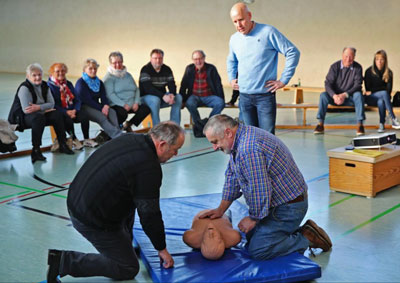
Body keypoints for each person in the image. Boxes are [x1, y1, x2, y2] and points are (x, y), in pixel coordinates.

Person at [46, 121, 185, 282]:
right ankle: (64, 262)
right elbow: (149, 215)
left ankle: (124, 244)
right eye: (175, 150)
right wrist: (161, 248)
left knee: (135, 196)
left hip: (78, 200)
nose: (175, 154)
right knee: (127, 267)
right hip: (90, 218)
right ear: (162, 144)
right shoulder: (149, 168)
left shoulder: (131, 138)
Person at [200, 114, 332, 260]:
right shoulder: (241, 138)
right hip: (278, 203)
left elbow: (260, 189)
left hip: (288, 208)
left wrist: (254, 218)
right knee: (250, 236)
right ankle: (284, 233)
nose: (214, 147)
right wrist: (220, 210)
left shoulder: (248, 149)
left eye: (215, 141)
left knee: (258, 249)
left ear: (228, 133)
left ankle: (307, 237)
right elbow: (232, 176)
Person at [227, 3, 300, 134]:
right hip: (244, 97)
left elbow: (292, 52)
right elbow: (231, 60)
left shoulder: (268, 32)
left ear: (249, 16)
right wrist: (232, 77)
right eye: (235, 22)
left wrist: (284, 80)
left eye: (241, 20)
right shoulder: (234, 39)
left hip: (264, 97)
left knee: (268, 138)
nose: (239, 25)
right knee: (249, 137)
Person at [8, 63, 74, 163]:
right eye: (34, 75)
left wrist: (39, 107)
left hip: (38, 113)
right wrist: (44, 108)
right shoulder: (24, 88)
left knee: (57, 114)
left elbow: (51, 104)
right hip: (21, 117)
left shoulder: (44, 85)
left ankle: (62, 144)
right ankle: (36, 150)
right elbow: (27, 109)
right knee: (38, 118)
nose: (37, 77)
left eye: (39, 74)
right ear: (28, 76)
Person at [314, 47, 365, 136]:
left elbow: (358, 85)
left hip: (349, 97)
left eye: (351, 56)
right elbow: (328, 83)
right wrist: (334, 95)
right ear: (342, 55)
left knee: (359, 95)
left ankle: (360, 125)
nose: (348, 59)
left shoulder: (358, 67)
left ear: (354, 57)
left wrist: (344, 95)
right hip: (335, 98)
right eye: (346, 56)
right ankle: (320, 124)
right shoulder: (334, 67)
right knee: (323, 95)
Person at [48, 63, 98, 149]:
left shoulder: (68, 84)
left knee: (84, 115)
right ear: (52, 73)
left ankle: (86, 139)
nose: (61, 73)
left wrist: (75, 110)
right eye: (57, 71)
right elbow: (53, 104)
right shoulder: (49, 86)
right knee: (67, 120)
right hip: (61, 112)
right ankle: (74, 138)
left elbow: (77, 99)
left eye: (63, 71)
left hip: (73, 110)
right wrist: (66, 112)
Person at [75, 58, 123, 142]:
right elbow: (87, 100)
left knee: (112, 112)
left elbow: (103, 96)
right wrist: (101, 108)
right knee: (102, 116)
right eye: (90, 68)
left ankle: (116, 133)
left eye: (95, 68)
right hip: (84, 107)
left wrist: (106, 106)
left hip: (96, 105)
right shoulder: (81, 82)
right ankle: (118, 137)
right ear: (84, 70)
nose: (93, 70)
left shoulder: (99, 82)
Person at [103, 51, 151, 132]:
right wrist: (123, 104)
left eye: (119, 62)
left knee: (145, 109)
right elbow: (110, 95)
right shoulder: (108, 78)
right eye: (115, 63)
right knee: (122, 113)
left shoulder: (128, 75)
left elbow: (136, 89)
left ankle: (128, 125)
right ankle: (114, 130)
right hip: (117, 104)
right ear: (110, 64)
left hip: (131, 104)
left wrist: (136, 102)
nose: (118, 65)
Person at [180, 50, 225, 126]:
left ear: (204, 58)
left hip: (209, 96)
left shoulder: (211, 68)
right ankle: (198, 124)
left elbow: (218, 85)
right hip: (194, 96)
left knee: (220, 103)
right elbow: (183, 85)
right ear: (193, 60)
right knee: (189, 103)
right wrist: (182, 100)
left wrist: (221, 98)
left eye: (200, 58)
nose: (198, 61)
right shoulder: (189, 69)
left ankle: (209, 123)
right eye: (195, 59)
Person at [139, 49, 182, 125]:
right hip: (146, 98)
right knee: (155, 100)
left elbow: (172, 84)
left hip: (162, 97)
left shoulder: (167, 69)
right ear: (151, 59)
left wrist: (172, 94)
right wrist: (163, 96)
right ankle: (157, 129)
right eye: (155, 58)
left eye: (160, 58)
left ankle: (175, 126)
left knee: (178, 97)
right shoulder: (145, 69)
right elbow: (148, 89)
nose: (158, 60)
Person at [364, 50, 400, 132]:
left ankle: (381, 124)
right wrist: (380, 90)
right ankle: (393, 118)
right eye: (377, 59)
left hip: (383, 98)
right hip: (371, 98)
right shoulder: (368, 72)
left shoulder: (389, 73)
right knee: (383, 93)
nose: (379, 62)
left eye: (382, 59)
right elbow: (368, 90)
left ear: (385, 61)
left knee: (381, 101)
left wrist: (375, 90)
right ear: (374, 61)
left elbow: (389, 90)